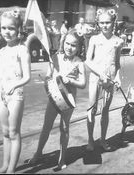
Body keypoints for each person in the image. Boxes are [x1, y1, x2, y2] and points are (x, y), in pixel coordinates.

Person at [27, 29, 86, 170]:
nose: (69, 47)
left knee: (64, 128)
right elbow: (47, 76)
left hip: (68, 100)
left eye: (73, 45)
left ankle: (62, 158)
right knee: (46, 127)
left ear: (78, 47)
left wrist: (69, 81)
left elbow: (83, 84)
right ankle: (38, 153)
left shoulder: (79, 63)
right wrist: (50, 81)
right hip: (54, 98)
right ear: (62, 42)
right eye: (67, 43)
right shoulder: (55, 58)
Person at [0, 9, 31, 173]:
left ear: (19, 29)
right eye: (4, 28)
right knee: (5, 132)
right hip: (1, 97)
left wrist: (14, 86)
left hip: (15, 96)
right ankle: (5, 164)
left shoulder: (22, 50)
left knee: (14, 132)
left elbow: (26, 76)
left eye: (11, 28)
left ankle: (11, 170)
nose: (7, 31)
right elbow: (0, 79)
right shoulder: (2, 52)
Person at [85, 8, 123, 151]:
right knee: (91, 109)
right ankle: (90, 140)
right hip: (96, 78)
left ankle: (103, 139)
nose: (105, 25)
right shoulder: (94, 39)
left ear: (113, 22)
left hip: (110, 80)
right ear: (98, 24)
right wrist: (100, 73)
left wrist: (118, 77)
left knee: (105, 110)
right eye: (102, 23)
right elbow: (88, 61)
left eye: (108, 22)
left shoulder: (118, 41)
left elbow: (117, 63)